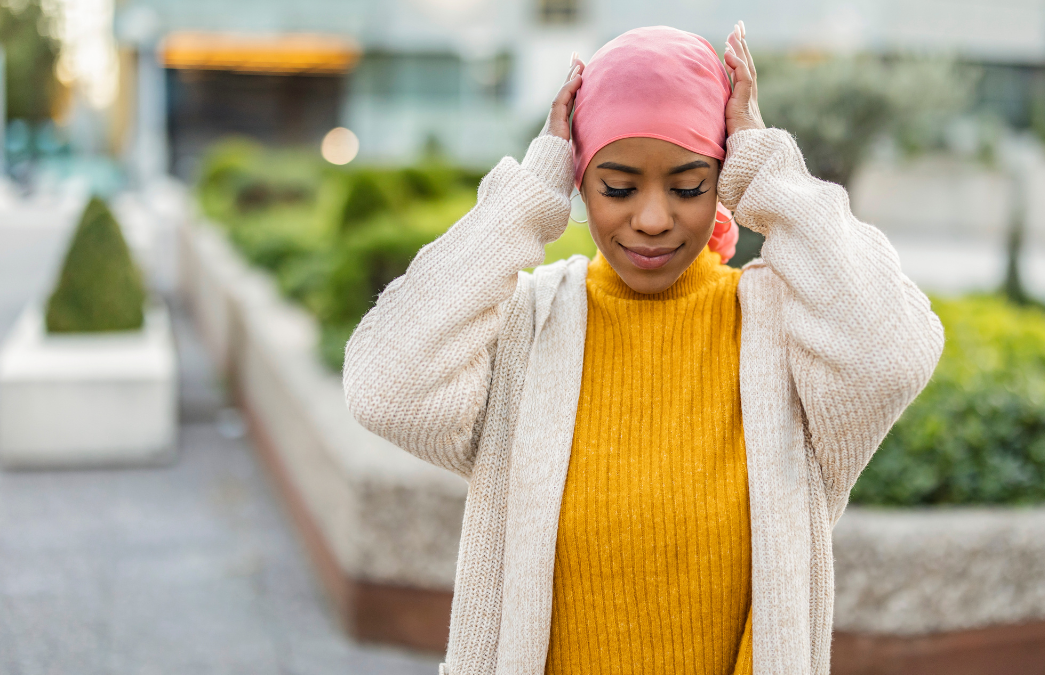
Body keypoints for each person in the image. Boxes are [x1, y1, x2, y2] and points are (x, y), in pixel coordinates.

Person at [343, 22, 943, 675]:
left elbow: (892, 354)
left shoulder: (775, 332)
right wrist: (534, 193)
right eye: (619, 186)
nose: (653, 218)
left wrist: (766, 168)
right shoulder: (533, 327)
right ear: (581, 180)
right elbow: (385, 386)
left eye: (688, 186)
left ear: (720, 177)